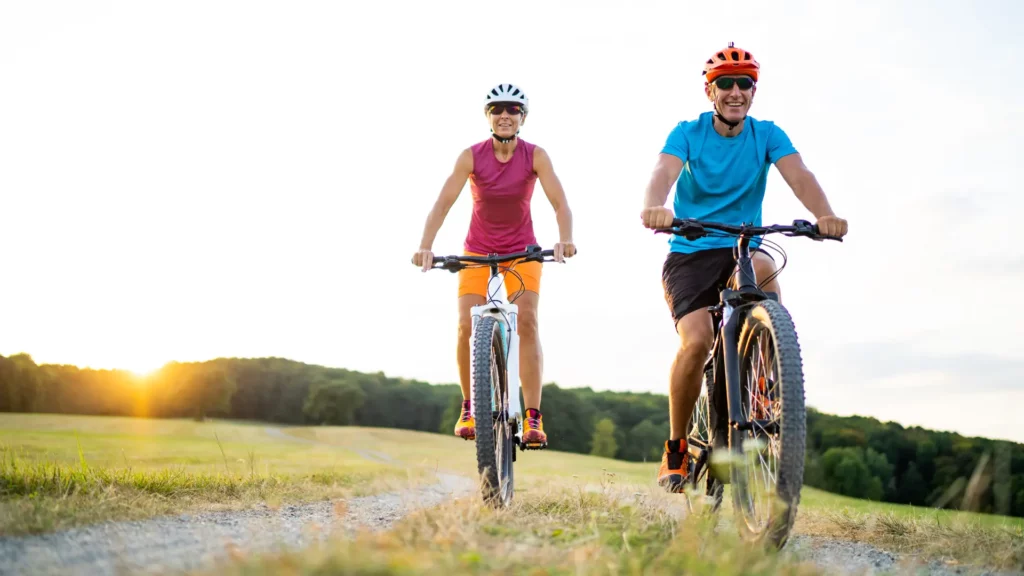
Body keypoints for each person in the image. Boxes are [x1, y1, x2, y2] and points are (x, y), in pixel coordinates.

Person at [639, 43, 849, 492]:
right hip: (691, 249)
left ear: (754, 90)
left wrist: (824, 214)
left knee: (765, 267)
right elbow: (663, 170)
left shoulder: (767, 134)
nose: (735, 92)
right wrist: (654, 205)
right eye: (725, 84)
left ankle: (762, 367)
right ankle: (676, 448)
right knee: (697, 341)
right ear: (710, 92)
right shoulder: (688, 132)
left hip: (741, 245)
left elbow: (801, 176)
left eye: (744, 84)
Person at [412, 83, 576, 448]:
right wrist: (426, 246)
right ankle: (470, 407)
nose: (505, 115)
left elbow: (560, 203)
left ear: (522, 117)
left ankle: (533, 417)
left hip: (522, 252)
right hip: (476, 252)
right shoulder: (471, 156)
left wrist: (564, 239)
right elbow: (442, 204)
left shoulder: (536, 156)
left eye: (513, 109)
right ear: (488, 116)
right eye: (497, 109)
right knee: (465, 325)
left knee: (528, 320)